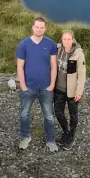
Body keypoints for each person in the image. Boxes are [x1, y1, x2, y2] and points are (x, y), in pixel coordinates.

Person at [15, 16, 58, 152]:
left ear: (45, 29)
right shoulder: (24, 44)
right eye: (37, 27)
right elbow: (20, 66)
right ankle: (25, 137)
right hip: (28, 87)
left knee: (49, 116)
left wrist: (52, 85)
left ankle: (50, 140)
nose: (39, 29)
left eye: (42, 27)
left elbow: (54, 65)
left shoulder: (50, 44)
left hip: (46, 87)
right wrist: (23, 85)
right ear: (33, 27)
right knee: (24, 114)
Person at [53, 30, 86, 150]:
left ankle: (71, 136)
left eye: (69, 39)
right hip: (59, 89)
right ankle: (66, 131)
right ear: (61, 40)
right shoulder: (57, 49)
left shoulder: (78, 54)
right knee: (58, 112)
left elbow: (82, 74)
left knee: (73, 114)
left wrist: (79, 92)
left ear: (73, 40)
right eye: (64, 39)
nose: (66, 41)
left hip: (72, 91)